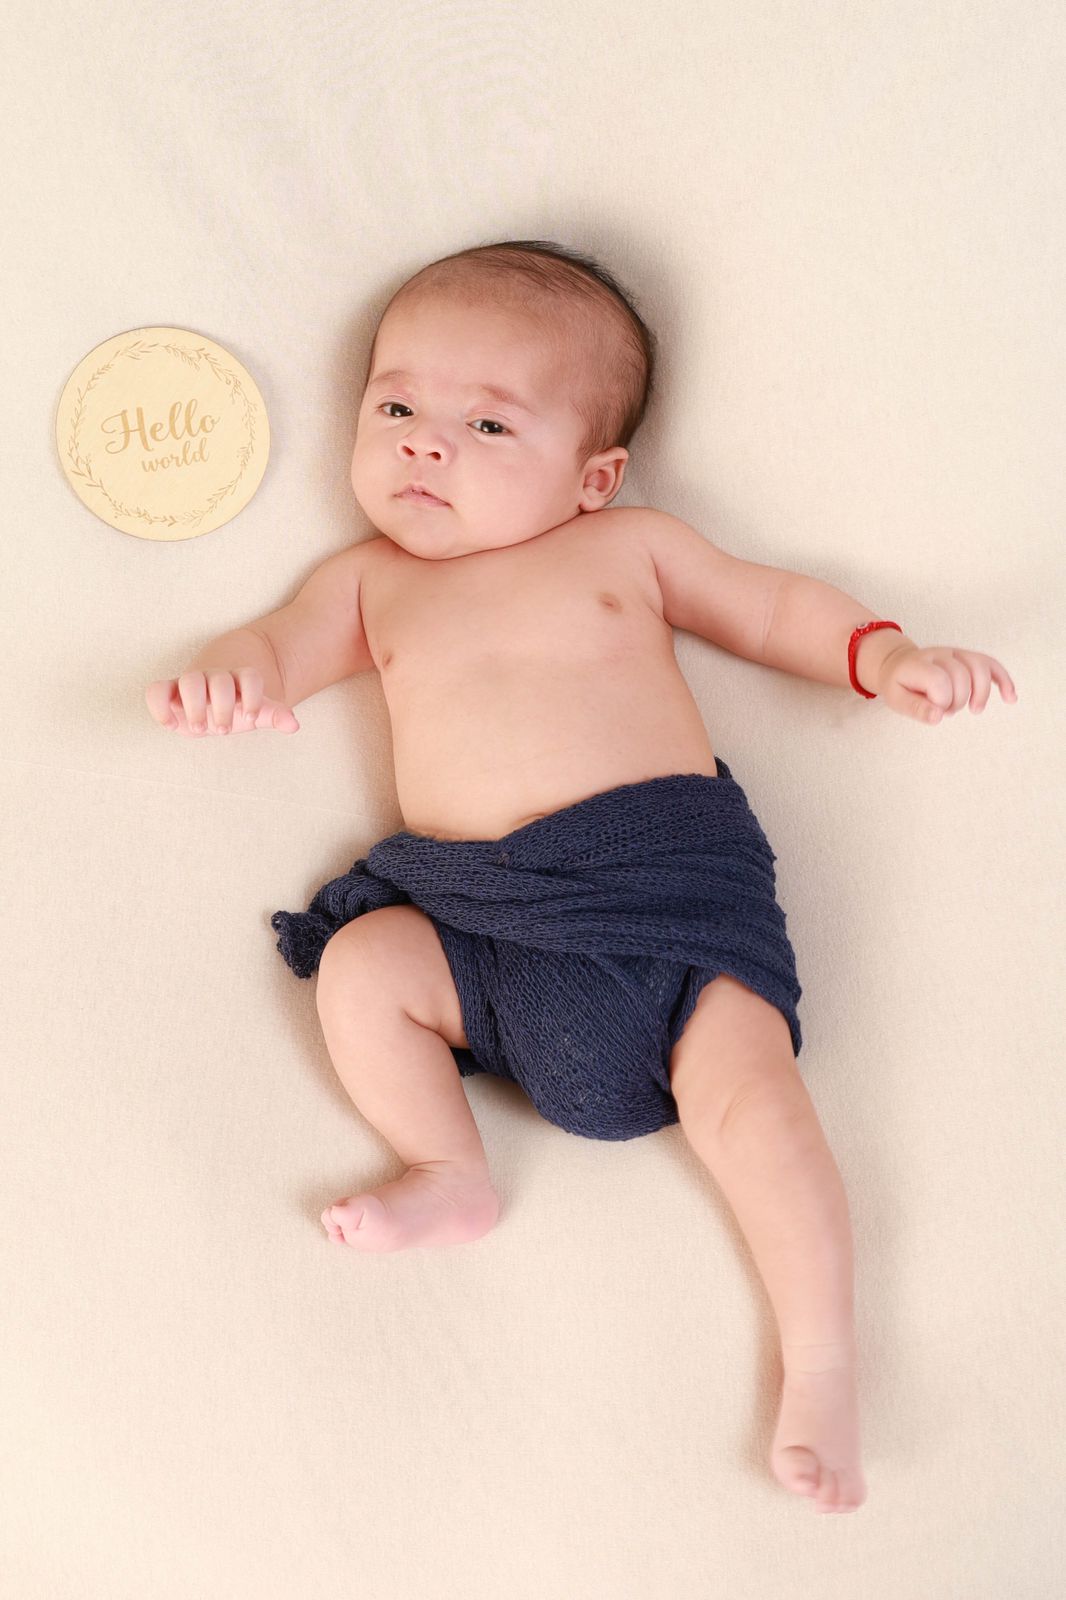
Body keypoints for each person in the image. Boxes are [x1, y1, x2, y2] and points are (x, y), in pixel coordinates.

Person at [145, 239, 1018, 1515]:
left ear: (593, 477)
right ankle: (447, 1170)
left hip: (668, 915)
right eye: (396, 406)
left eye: (488, 423)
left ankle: (823, 1362)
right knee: (361, 965)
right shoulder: (369, 583)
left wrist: (883, 660)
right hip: (486, 935)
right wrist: (230, 679)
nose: (424, 444)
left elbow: (770, 609)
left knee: (759, 1113)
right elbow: (277, 647)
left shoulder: (631, 550)